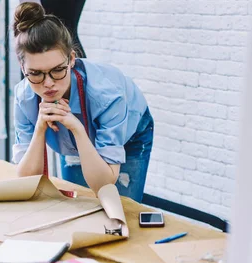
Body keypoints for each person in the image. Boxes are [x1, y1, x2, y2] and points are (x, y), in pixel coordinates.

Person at [12, 2, 154, 202]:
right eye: (36, 74)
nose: (49, 84)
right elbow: (28, 182)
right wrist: (39, 129)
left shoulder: (107, 96)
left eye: (58, 70)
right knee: (77, 204)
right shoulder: (23, 97)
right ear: (22, 66)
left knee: (118, 209)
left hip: (130, 135)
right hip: (70, 136)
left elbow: (105, 185)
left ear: (71, 59)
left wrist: (76, 128)